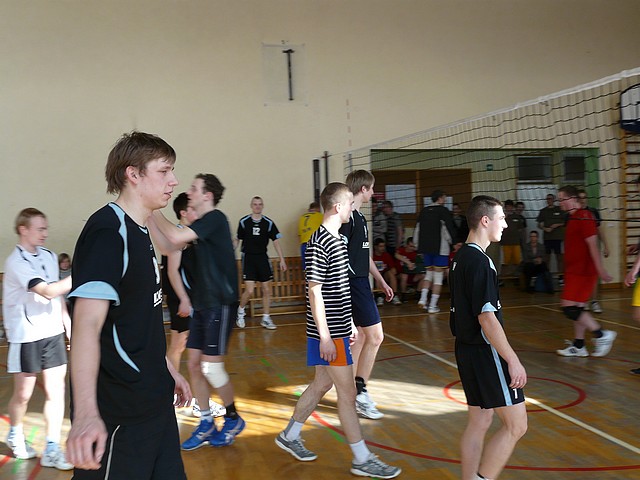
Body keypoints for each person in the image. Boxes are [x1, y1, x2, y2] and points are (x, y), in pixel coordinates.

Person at [66, 132, 191, 479]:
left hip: (156, 404)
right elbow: (86, 325)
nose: (173, 180)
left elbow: (134, 319)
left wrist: (165, 368)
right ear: (133, 174)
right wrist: (85, 414)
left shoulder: (140, 230)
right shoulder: (108, 232)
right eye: (164, 171)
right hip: (121, 414)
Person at [274, 182, 401, 479]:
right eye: (349, 205)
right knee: (347, 394)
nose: (353, 209)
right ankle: (362, 458)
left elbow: (341, 289)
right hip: (328, 333)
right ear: (338, 207)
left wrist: (350, 324)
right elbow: (315, 291)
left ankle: (289, 435)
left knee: (321, 384)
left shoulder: (340, 240)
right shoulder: (320, 242)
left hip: (339, 328)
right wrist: (327, 337)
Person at [149, 173, 245, 450]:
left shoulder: (215, 219)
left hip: (220, 302)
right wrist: (149, 213)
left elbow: (175, 235)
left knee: (211, 368)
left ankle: (233, 418)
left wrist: (153, 207)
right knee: (193, 365)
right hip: (203, 305)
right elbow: (168, 246)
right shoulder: (198, 228)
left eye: (194, 188)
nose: (189, 191)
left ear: (207, 195)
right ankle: (205, 421)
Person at [449, 195, 528, 480]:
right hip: (486, 351)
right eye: (501, 218)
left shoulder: (460, 257)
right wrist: (512, 359)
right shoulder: (481, 262)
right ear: (485, 220)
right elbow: (486, 318)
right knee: (517, 426)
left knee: (480, 421)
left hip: (465, 349)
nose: (505, 224)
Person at [3, 208, 73, 470]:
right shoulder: (16, 263)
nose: (45, 233)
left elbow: (57, 296)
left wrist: (67, 323)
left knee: (57, 391)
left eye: (46, 228)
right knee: (23, 395)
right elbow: (46, 291)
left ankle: (52, 447)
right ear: (24, 229)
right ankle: (15, 433)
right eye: (40, 228)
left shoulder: (50, 256)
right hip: (26, 336)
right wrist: (84, 273)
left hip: (52, 334)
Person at [161, 193, 226, 419]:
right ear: (183, 213)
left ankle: (178, 395)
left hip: (192, 300)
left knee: (181, 348)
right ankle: (191, 399)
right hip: (185, 301)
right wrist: (184, 299)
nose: (197, 212)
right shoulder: (178, 238)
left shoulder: (190, 236)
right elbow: (172, 272)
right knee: (185, 349)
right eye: (192, 209)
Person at [339, 170, 394, 420]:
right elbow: (340, 257)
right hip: (352, 283)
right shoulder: (347, 217)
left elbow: (364, 254)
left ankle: (350, 392)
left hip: (362, 282)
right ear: (363, 189)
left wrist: (380, 280)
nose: (373, 193)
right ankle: (359, 393)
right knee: (375, 336)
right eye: (371, 188)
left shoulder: (360, 218)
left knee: (361, 338)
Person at [555, 185, 616, 358]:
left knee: (569, 308)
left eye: (562, 199)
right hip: (574, 270)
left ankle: (601, 334)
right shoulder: (572, 217)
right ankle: (579, 345)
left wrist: (600, 269)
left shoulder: (585, 216)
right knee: (578, 309)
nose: (560, 203)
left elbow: (593, 245)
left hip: (582, 272)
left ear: (573, 198)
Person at [235, 196, 287, 330]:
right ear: (251, 206)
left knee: (266, 289)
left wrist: (282, 259)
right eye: (255, 204)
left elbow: (276, 241)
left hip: (262, 257)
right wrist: (229, 253)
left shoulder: (268, 223)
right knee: (249, 290)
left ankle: (266, 318)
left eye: (259, 204)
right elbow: (237, 239)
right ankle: (240, 312)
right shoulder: (244, 222)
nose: (257, 206)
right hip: (248, 258)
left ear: (262, 206)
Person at [415, 189, 455, 313]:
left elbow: (417, 229)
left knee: (428, 274)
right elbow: (447, 230)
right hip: (440, 249)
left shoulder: (424, 211)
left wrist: (417, 245)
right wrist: (453, 242)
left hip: (425, 248)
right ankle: (432, 306)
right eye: (444, 197)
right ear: (440, 198)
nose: (445, 199)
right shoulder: (443, 211)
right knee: (438, 278)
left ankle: (423, 299)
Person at [577, 189, 609, 314]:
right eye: (580, 198)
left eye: (584, 197)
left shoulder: (593, 212)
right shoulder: (573, 214)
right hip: (580, 250)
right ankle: (583, 300)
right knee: (581, 276)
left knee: (593, 276)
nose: (583, 200)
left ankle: (594, 301)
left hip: (593, 249)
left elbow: (599, 230)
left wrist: (606, 246)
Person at [536, 193, 565, 282]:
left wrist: (557, 225)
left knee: (559, 258)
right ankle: (547, 277)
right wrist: (545, 228)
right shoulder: (543, 211)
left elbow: (565, 222)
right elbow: (539, 224)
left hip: (558, 238)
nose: (549, 200)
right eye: (547, 199)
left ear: (554, 200)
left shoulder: (559, 209)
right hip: (547, 238)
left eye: (550, 199)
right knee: (546, 258)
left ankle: (561, 277)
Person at [500, 200, 526, 278]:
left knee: (517, 262)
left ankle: (516, 278)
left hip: (516, 243)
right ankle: (503, 279)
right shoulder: (501, 217)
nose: (509, 208)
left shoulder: (517, 217)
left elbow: (521, 230)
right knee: (504, 263)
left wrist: (523, 241)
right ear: (505, 207)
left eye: (510, 206)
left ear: (513, 207)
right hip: (505, 243)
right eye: (507, 206)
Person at [372, 239, 402, 306]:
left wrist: (392, 270)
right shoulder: (372, 255)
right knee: (378, 275)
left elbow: (393, 268)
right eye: (381, 246)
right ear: (375, 247)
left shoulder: (386, 255)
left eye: (384, 246)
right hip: (374, 276)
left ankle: (394, 295)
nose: (383, 248)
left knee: (391, 274)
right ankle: (379, 296)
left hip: (385, 275)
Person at [394, 236, 425, 301]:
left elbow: (419, 265)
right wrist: (408, 262)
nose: (412, 248)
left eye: (414, 247)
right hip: (400, 274)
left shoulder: (415, 254)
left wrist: (413, 266)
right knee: (404, 275)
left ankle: (418, 293)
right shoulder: (401, 250)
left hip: (412, 275)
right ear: (406, 245)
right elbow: (396, 255)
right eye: (411, 246)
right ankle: (403, 295)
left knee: (424, 275)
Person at [298, 201, 323, 269]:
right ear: (318, 209)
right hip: (316, 245)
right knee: (318, 269)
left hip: (304, 245)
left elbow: (299, 235)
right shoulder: (320, 216)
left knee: (307, 269)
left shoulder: (302, 217)